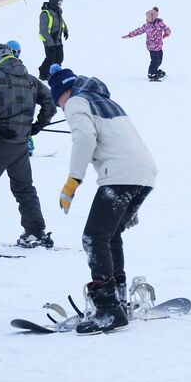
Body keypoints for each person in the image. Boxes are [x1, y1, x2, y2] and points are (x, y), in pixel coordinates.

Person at [48, 67, 158, 334]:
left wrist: (73, 180)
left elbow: (85, 137)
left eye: (57, 102)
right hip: (143, 174)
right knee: (110, 236)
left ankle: (108, 309)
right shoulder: (105, 101)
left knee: (93, 238)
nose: (60, 108)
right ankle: (118, 299)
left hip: (120, 175)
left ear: (61, 94)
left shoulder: (75, 101)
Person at [0, 40, 56, 253]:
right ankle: (36, 232)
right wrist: (36, 126)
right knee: (24, 189)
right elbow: (50, 101)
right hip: (21, 144)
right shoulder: (31, 80)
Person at [123, 7, 172, 81]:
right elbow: (138, 31)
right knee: (155, 60)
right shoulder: (147, 26)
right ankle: (151, 73)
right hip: (151, 46)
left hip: (159, 46)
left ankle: (155, 71)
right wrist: (129, 35)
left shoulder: (160, 23)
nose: (147, 19)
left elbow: (166, 28)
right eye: (146, 17)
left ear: (153, 17)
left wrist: (166, 33)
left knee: (159, 60)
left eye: (148, 17)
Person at [38, 0, 68, 80]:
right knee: (51, 58)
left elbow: (61, 21)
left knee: (60, 57)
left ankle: (56, 72)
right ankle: (43, 73)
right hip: (49, 40)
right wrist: (50, 43)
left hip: (58, 39)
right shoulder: (45, 14)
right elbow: (43, 31)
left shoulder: (58, 11)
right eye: (59, 2)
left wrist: (65, 30)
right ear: (54, 2)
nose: (60, 4)